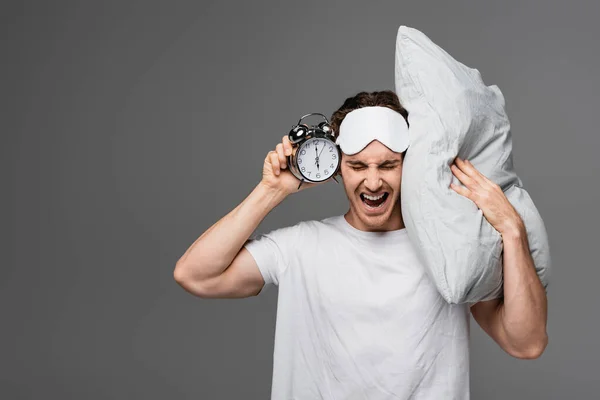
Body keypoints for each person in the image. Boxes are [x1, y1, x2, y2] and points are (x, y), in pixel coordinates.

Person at [173, 90, 548, 399]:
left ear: (410, 167)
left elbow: (526, 343)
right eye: (357, 166)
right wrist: (271, 190)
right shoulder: (301, 246)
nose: (372, 182)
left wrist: (512, 229)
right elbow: (195, 275)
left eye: (388, 166)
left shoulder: (449, 248)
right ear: (336, 169)